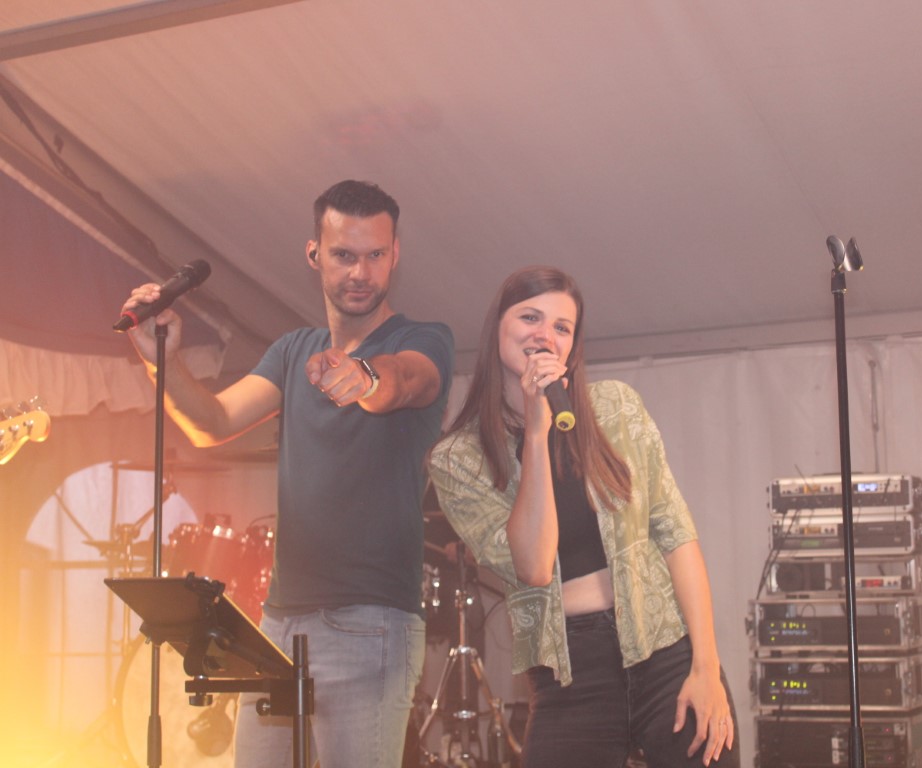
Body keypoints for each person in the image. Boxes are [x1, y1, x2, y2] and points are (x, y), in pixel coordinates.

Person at [120, 179, 454, 767]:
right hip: (278, 624)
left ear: (395, 255)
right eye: (344, 255)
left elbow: (405, 379)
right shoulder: (293, 350)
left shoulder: (424, 339)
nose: (361, 272)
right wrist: (160, 359)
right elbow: (211, 422)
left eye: (375, 255)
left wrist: (365, 378)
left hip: (372, 620)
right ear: (314, 255)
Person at [428, 266, 739, 768]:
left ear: (573, 346)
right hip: (570, 676)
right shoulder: (458, 459)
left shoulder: (616, 407)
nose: (544, 336)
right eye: (530, 317)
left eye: (562, 327)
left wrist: (706, 668)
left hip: (666, 651)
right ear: (497, 327)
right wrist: (536, 432)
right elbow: (532, 565)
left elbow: (677, 536)